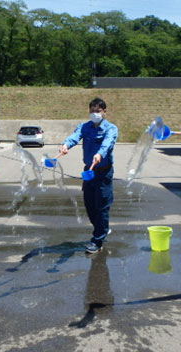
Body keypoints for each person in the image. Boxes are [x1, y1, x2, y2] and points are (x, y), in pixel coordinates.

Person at [59, 98, 118, 254]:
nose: (94, 114)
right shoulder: (85, 127)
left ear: (105, 112)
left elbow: (108, 143)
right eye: (92, 111)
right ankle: (102, 228)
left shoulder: (111, 128)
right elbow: (75, 136)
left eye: (98, 111)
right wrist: (66, 145)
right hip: (89, 171)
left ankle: (97, 241)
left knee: (102, 206)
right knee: (90, 205)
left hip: (104, 172)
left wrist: (100, 154)